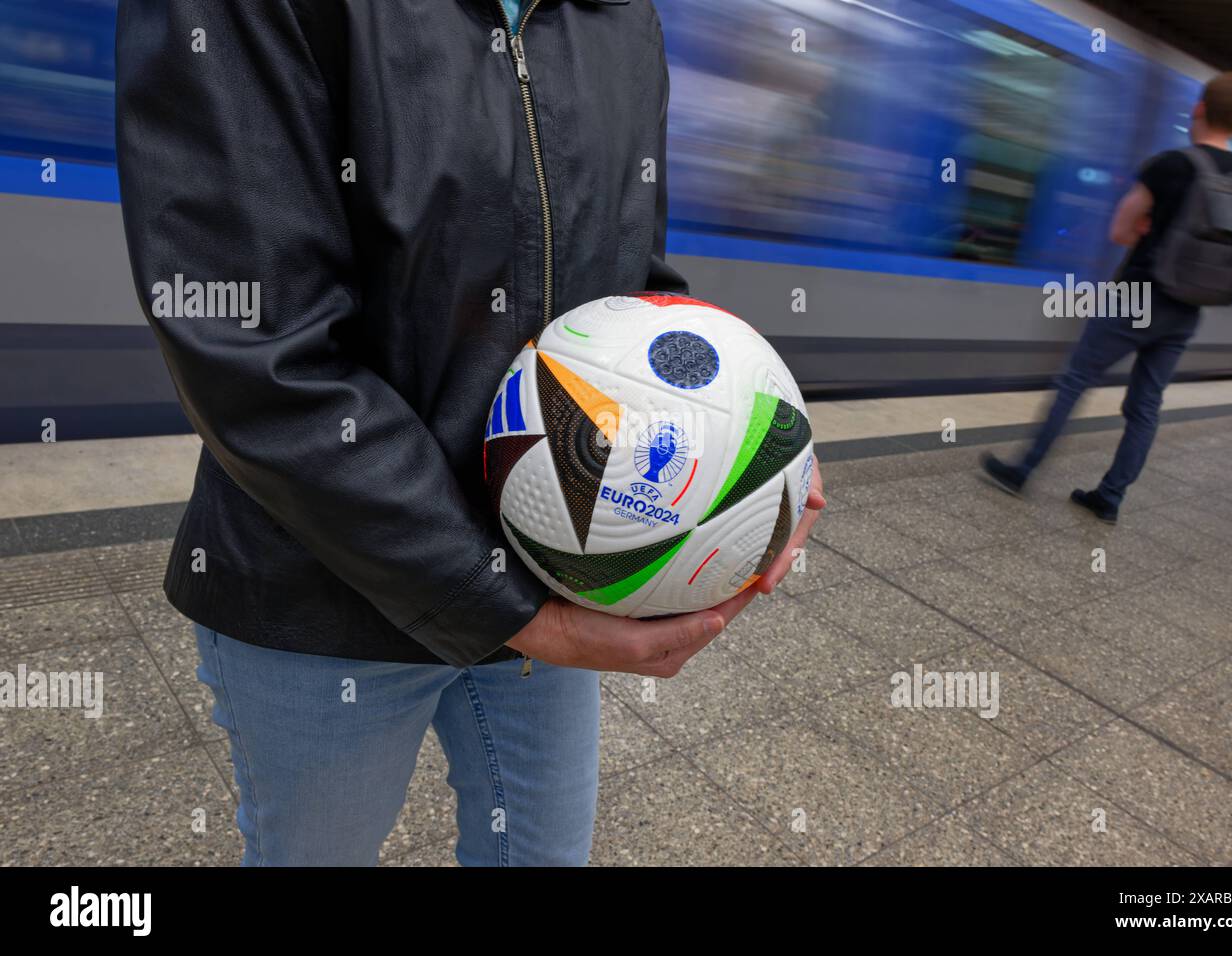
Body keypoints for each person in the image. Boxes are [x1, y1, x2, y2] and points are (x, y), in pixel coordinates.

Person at [115, 0, 823, 866]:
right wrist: (508, 609)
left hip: (551, 557)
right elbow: (259, 347)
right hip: (320, 588)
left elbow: (629, 288)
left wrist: (748, 471)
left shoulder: (623, 16)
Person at [980, 72, 1232, 523]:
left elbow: (1119, 230)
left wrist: (1149, 228)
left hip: (1136, 295)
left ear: (1199, 108)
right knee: (1146, 405)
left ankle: (1021, 471)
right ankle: (1110, 497)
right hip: (1187, 310)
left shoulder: (1169, 164)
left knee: (1076, 381)